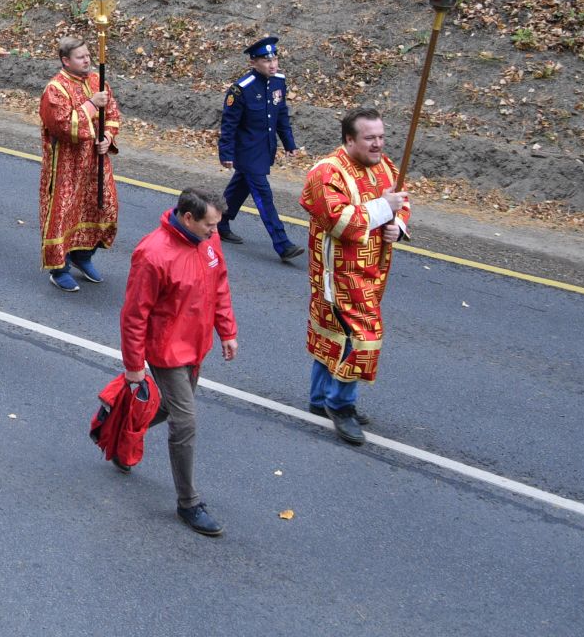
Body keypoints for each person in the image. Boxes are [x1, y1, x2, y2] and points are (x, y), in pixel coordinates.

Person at [118, 189, 239, 537]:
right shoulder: (152, 253)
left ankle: (122, 428)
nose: (215, 232)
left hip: (195, 346)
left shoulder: (210, 242)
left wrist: (227, 331)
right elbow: (134, 315)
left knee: (171, 410)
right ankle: (188, 503)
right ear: (188, 218)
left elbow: (220, 288)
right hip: (167, 351)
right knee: (185, 422)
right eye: (209, 225)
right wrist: (134, 366)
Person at [302, 107, 406, 447]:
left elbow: (400, 201)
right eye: (370, 138)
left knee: (335, 331)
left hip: (372, 269)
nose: (378, 144)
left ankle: (319, 397)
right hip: (339, 272)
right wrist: (383, 209)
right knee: (363, 335)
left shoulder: (385, 165)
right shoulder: (326, 173)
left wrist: (397, 226)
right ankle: (340, 405)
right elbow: (339, 221)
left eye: (381, 137)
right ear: (349, 139)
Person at [39, 36, 121, 292]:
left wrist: (108, 138)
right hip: (66, 164)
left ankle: (82, 256)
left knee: (103, 208)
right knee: (63, 214)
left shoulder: (98, 81)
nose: (87, 60)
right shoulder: (55, 89)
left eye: (88, 55)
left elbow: (113, 114)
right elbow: (64, 127)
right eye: (80, 57)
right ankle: (59, 268)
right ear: (66, 61)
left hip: (96, 161)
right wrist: (90, 105)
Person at [219, 35, 305, 261]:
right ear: (253, 62)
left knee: (240, 187)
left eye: (275, 58)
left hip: (265, 149)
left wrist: (289, 143)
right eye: (266, 60)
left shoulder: (278, 81)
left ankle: (218, 219)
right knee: (263, 195)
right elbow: (229, 125)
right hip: (246, 152)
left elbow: (281, 114)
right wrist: (226, 153)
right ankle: (282, 243)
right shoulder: (241, 89)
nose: (273, 64)